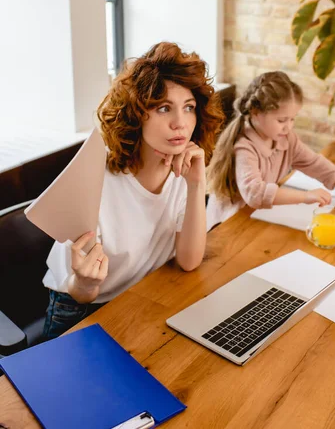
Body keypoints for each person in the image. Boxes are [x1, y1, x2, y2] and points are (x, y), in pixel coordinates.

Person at [42, 42, 224, 339]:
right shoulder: (95, 180)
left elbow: (189, 261)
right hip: (80, 310)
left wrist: (196, 185)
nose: (180, 123)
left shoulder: (183, 165)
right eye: (164, 108)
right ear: (137, 114)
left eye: (188, 107)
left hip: (138, 295)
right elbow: (80, 291)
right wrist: (85, 283)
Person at [206, 71, 335, 230]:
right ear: (256, 112)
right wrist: (305, 197)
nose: (288, 126)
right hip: (228, 224)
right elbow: (255, 194)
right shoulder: (244, 147)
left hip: (257, 216)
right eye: (282, 120)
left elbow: (315, 163)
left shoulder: (285, 138)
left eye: (292, 119)